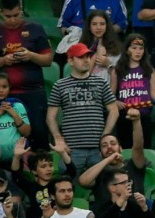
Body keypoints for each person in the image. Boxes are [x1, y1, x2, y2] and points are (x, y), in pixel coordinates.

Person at [0, 0, 53, 145]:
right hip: (4, 93)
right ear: (0, 13)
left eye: (16, 15)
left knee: (39, 133)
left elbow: (48, 60)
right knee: (7, 135)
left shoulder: (35, 29)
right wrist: (3, 60)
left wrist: (30, 56)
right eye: (7, 16)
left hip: (33, 91)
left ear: (21, 11)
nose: (12, 20)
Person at [48, 43, 118, 173]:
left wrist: (105, 136)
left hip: (97, 148)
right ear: (70, 61)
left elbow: (114, 111)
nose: (86, 60)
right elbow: (50, 117)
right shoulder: (60, 85)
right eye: (81, 57)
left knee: (102, 187)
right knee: (67, 186)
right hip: (72, 149)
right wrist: (59, 139)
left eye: (88, 56)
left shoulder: (100, 82)